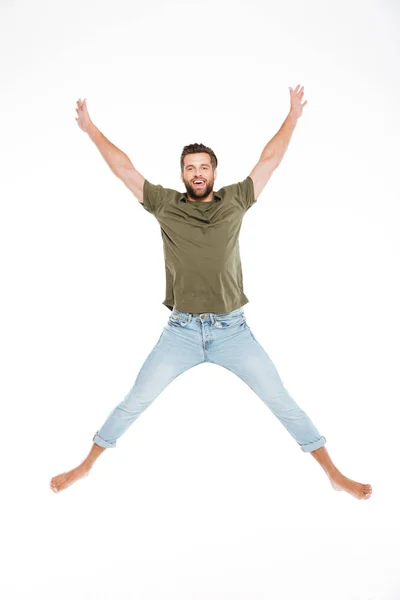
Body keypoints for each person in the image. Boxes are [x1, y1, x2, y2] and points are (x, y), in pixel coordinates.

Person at [50, 85, 372, 500]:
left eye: (204, 167)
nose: (197, 173)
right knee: (135, 400)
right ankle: (86, 465)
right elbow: (125, 169)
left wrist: (292, 116)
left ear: (214, 173)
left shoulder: (236, 199)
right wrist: (91, 129)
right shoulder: (165, 204)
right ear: (182, 174)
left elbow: (269, 159)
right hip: (181, 332)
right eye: (190, 168)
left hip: (231, 330)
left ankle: (334, 473)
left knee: (281, 400)